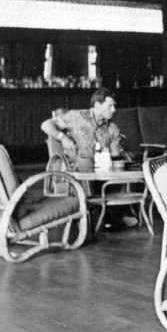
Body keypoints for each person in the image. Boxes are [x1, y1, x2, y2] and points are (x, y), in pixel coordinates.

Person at [40, 88, 135, 229]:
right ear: (97, 105)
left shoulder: (113, 128)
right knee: (86, 164)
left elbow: (115, 155)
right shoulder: (76, 116)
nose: (114, 110)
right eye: (110, 106)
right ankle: (107, 217)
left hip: (101, 167)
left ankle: (109, 216)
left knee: (119, 169)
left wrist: (122, 155)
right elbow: (46, 125)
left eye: (115, 106)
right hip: (78, 164)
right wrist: (63, 137)